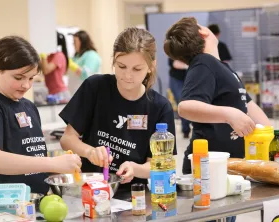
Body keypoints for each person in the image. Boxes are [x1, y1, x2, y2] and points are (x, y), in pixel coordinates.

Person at [164, 16, 271, 222]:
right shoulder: (204, 63)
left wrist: (272, 135)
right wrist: (229, 114)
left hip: (227, 169)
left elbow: (248, 105)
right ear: (204, 32)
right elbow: (186, 107)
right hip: (208, 171)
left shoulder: (221, 67)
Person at [60, 27, 176, 195]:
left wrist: (135, 169)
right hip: (89, 191)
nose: (128, 75)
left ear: (151, 66)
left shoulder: (160, 107)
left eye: (137, 69)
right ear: (113, 60)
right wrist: (90, 151)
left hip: (134, 196)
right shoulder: (95, 87)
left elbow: (161, 164)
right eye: (121, 66)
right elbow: (67, 139)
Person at [0, 36, 82, 194]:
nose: (26, 85)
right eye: (18, 77)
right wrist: (51, 163)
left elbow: (33, 155)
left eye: (31, 78)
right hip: (4, 204)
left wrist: (60, 168)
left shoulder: (28, 106)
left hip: (37, 200)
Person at [40, 32, 71, 104]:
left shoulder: (59, 55)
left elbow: (46, 70)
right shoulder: (49, 56)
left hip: (60, 93)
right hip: (52, 92)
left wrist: (43, 55)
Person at [68, 30, 101, 95]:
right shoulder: (77, 56)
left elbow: (86, 75)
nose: (73, 44)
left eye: (75, 41)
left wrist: (73, 66)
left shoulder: (92, 55)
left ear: (82, 42)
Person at [168, 58, 191, 138]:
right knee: (181, 101)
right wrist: (189, 65)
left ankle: (190, 128)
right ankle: (186, 129)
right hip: (177, 78)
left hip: (190, 77)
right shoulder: (175, 48)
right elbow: (175, 63)